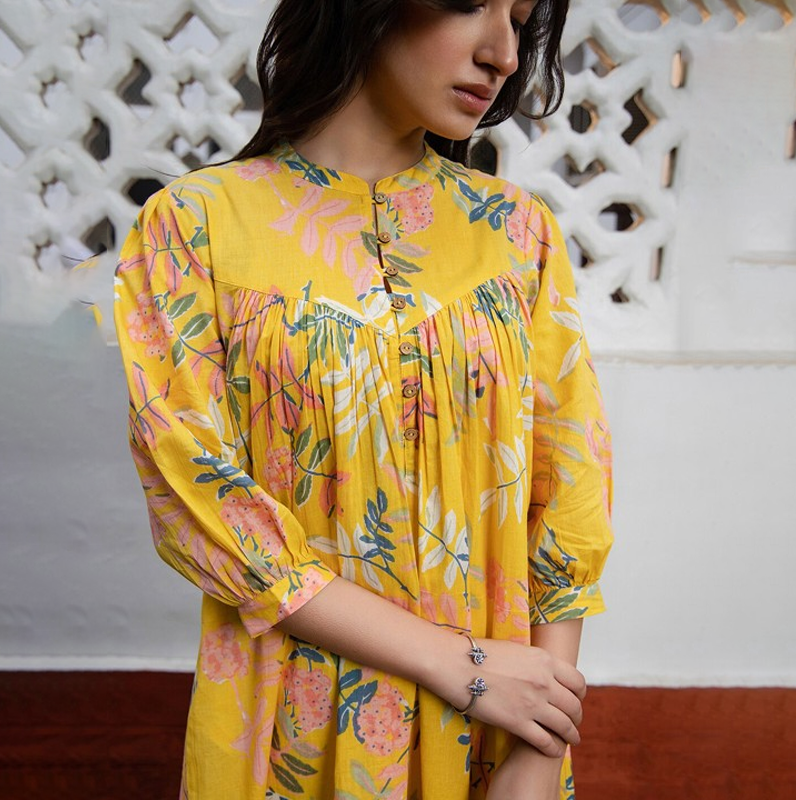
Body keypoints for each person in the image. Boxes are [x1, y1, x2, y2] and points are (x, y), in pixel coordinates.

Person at [113, 0, 613, 797]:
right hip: (290, 724)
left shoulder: (519, 234)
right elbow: (199, 500)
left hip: (503, 727)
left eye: (520, 22)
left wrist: (540, 747)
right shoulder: (193, 228)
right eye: (469, 4)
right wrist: (462, 665)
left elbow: (570, 490)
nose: (504, 53)